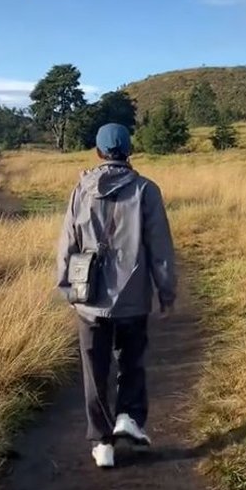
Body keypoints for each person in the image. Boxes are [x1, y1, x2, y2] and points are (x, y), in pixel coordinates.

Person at [57, 123, 176, 469]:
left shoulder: (81, 189)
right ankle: (129, 416)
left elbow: (68, 241)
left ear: (98, 152)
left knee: (95, 369)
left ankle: (102, 442)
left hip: (89, 298)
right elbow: (161, 250)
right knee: (132, 360)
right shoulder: (146, 191)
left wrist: (66, 285)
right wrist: (166, 293)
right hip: (134, 297)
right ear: (129, 151)